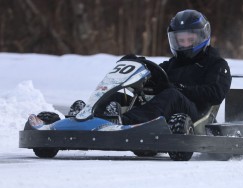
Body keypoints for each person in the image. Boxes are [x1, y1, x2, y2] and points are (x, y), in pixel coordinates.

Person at [69, 9, 231, 125]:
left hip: (195, 113)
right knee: (120, 96)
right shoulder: (172, 64)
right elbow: (155, 77)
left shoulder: (216, 64)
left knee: (172, 95)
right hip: (165, 107)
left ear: (202, 36)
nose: (185, 44)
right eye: (181, 40)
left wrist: (181, 88)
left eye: (190, 39)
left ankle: (127, 122)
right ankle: (89, 116)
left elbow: (215, 94)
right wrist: (137, 65)